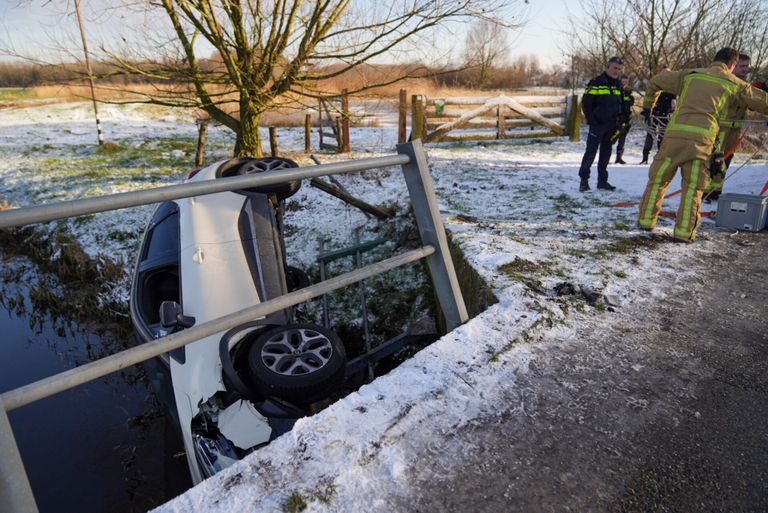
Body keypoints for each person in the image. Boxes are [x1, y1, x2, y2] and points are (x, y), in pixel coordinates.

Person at [637, 47, 768, 242]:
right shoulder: (736, 84)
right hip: (702, 143)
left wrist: (648, 107)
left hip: (674, 138)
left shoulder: (689, 75)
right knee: (693, 188)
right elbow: (762, 101)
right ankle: (684, 233)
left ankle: (646, 221)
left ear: (714, 60)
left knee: (658, 180)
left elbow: (656, 81)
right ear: (732, 64)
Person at [707, 53, 752, 201]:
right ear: (733, 65)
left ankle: (716, 191)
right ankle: (706, 191)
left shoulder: (747, 85)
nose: (745, 69)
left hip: (734, 131)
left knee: (725, 161)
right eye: (742, 66)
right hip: (720, 129)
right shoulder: (726, 81)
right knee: (714, 160)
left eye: (747, 66)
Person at [578, 56, 625, 192]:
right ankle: (584, 181)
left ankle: (602, 181)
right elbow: (586, 104)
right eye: (615, 68)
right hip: (597, 125)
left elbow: (621, 104)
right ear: (608, 66)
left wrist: (621, 121)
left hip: (612, 125)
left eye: (619, 69)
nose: (617, 71)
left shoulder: (618, 85)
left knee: (606, 153)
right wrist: (592, 120)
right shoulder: (596, 82)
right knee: (590, 153)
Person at [640, 77, 675, 165]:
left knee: (663, 137)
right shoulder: (654, 86)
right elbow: (648, 98)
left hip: (665, 116)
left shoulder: (672, 88)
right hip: (653, 114)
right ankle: (645, 158)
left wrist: (673, 111)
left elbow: (675, 102)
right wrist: (646, 110)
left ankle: (661, 157)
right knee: (650, 135)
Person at [614, 77, 637, 164]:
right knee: (612, 137)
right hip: (617, 118)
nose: (624, 83)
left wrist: (629, 96)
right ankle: (605, 155)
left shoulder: (629, 93)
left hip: (626, 118)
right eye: (623, 81)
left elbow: (630, 103)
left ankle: (619, 157)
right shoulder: (617, 91)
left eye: (626, 82)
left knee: (622, 138)